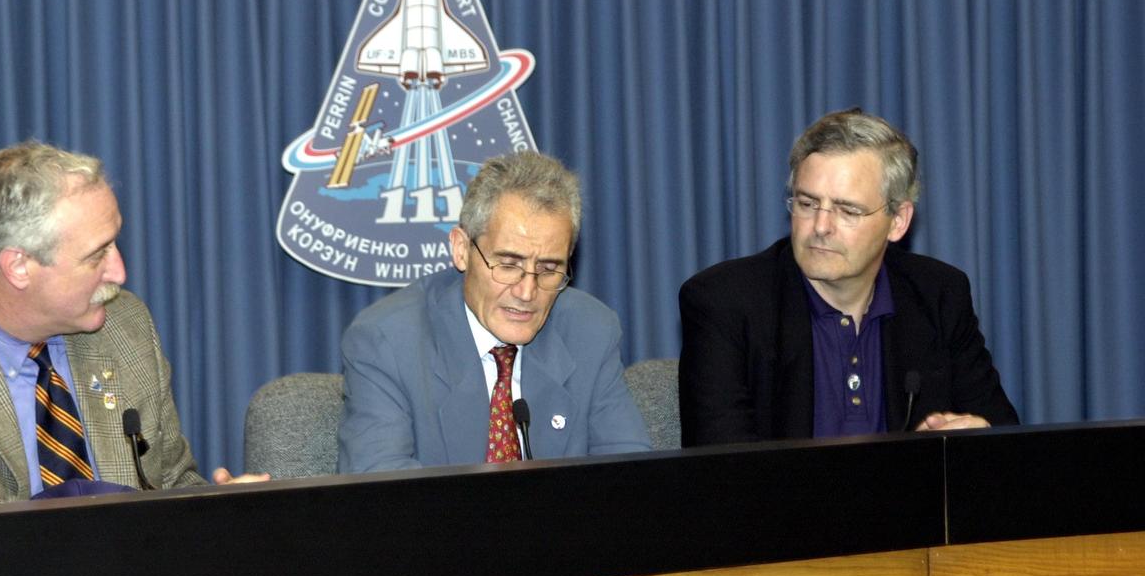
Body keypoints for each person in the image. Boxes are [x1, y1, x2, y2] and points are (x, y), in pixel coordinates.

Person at [0, 141, 266, 510]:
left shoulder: (125, 324)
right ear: (18, 266)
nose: (120, 272)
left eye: (115, 243)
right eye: (97, 255)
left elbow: (167, 483)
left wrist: (216, 510)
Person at [679, 109, 1019, 446]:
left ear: (898, 220)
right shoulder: (724, 302)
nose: (821, 227)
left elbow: (1004, 434)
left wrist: (978, 436)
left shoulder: (938, 294)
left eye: (847, 210)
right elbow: (722, 472)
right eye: (808, 204)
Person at [338, 151, 651, 472]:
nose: (527, 292)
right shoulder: (387, 342)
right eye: (508, 264)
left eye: (548, 269)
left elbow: (629, 480)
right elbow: (382, 496)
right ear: (461, 249)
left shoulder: (591, 331)